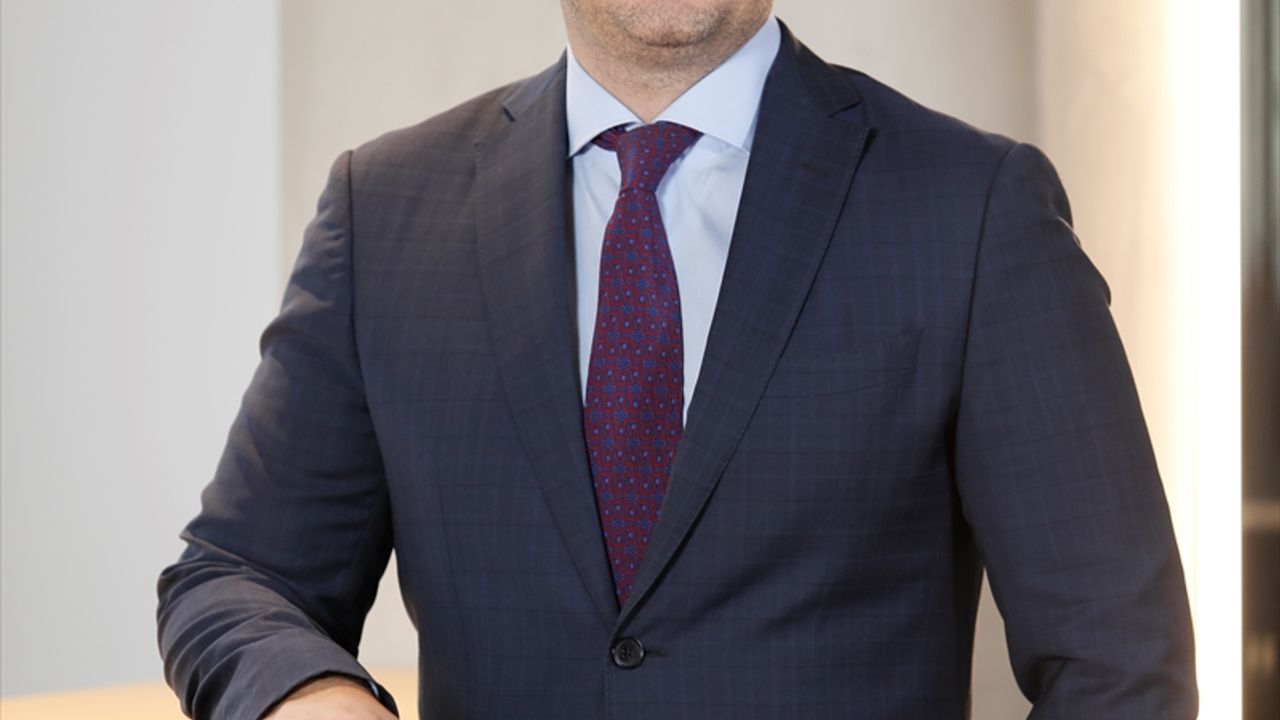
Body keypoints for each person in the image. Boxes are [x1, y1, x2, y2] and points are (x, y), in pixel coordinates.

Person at [157, 1, 1198, 718]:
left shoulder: (971, 209)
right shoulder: (386, 212)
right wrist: (307, 692)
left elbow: (1118, 667)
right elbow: (235, 576)